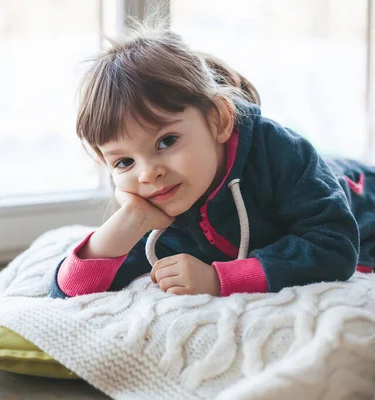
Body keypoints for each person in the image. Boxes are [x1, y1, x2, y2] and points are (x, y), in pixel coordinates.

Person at [49, 26, 374, 299]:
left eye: (166, 141)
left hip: (360, 190)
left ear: (218, 120)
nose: (149, 173)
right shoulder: (160, 205)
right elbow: (69, 291)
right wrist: (129, 220)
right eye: (124, 162)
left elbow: (335, 246)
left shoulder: (281, 151)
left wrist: (220, 279)